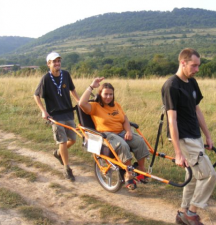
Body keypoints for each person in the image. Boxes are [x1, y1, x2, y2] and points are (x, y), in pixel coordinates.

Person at [161, 48, 216, 225]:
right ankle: (192, 213)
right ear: (182, 62)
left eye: (198, 66)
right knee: (209, 175)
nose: (197, 70)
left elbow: (197, 110)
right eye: (194, 66)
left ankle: (182, 212)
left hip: (196, 136)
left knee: (193, 176)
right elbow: (172, 120)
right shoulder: (171, 85)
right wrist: (178, 152)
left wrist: (207, 136)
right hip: (184, 138)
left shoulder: (192, 83)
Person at [79, 77, 150, 190]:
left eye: (110, 94)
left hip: (121, 132)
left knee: (140, 141)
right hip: (106, 134)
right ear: (100, 94)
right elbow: (81, 103)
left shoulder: (116, 105)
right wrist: (91, 86)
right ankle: (128, 173)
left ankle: (141, 169)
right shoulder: (95, 106)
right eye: (105, 94)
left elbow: (125, 119)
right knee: (123, 145)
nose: (108, 97)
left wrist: (128, 131)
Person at [34, 52, 80, 182]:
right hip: (55, 116)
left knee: (73, 139)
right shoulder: (46, 79)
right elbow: (36, 95)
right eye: (54, 61)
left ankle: (59, 153)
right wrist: (44, 111)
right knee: (63, 141)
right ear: (49, 64)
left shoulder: (66, 74)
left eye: (59, 61)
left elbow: (72, 89)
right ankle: (67, 168)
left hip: (68, 113)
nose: (57, 63)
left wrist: (79, 102)